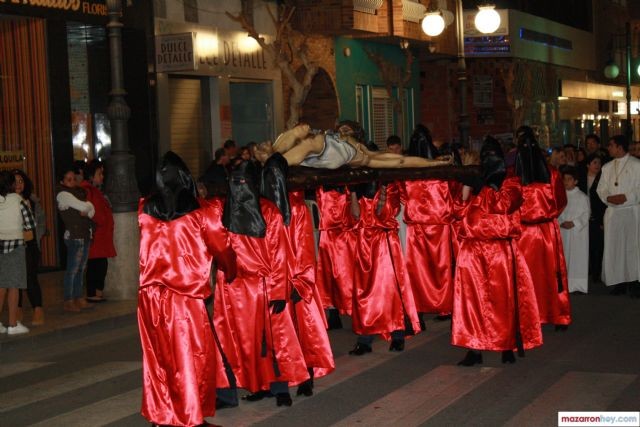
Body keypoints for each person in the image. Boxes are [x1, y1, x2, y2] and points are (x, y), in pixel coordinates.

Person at [137, 151, 237, 426]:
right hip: (184, 297)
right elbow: (222, 248)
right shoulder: (203, 212)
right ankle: (191, 418)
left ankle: (161, 416)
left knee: (157, 357)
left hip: (149, 296)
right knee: (191, 357)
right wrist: (231, 270)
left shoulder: (145, 208)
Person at [213, 160, 309, 408]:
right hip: (235, 288)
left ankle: (280, 387)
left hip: (263, 286)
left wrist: (279, 292)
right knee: (244, 342)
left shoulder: (269, 212)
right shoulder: (225, 211)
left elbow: (279, 254)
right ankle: (258, 384)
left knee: (274, 339)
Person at [453, 137, 542, 366]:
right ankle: (474, 347)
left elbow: (504, 205)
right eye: (485, 156)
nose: (488, 160)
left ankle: (506, 344)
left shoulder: (511, 183)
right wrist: (467, 186)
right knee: (471, 301)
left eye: (492, 155)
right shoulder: (474, 182)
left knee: (503, 300)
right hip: (472, 250)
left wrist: (485, 188)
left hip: (500, 249)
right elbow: (457, 211)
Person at [259, 153, 335, 397]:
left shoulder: (296, 207)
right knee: (279, 335)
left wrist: (300, 282)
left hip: (294, 279)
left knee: (302, 332)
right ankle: (281, 381)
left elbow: (303, 247)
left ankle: (305, 378)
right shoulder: (265, 207)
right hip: (274, 280)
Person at [348, 181, 420, 355]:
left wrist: (381, 191)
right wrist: (353, 192)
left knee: (391, 291)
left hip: (384, 241)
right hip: (365, 243)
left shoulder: (391, 185)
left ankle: (398, 334)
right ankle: (365, 338)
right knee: (363, 292)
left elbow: (385, 213)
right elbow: (355, 216)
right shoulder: (356, 185)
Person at [514, 127, 571, 330]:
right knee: (550, 273)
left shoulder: (514, 176)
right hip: (545, 231)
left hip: (525, 233)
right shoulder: (551, 174)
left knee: (528, 275)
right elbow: (561, 202)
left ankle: (531, 315)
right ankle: (556, 315)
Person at [401, 125, 456, 327]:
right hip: (425, 226)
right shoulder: (437, 169)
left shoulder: (411, 170)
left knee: (428, 269)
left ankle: (438, 306)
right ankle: (426, 307)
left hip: (430, 226)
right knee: (423, 270)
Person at [252, 121, 451, 169]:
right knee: (303, 132)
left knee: (308, 139)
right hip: (321, 154)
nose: (344, 130)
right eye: (342, 128)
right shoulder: (340, 138)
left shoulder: (366, 153)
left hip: (332, 152)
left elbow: (402, 161)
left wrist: (433, 163)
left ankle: (273, 158)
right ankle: (274, 154)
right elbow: (401, 160)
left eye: (347, 129)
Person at [596, 135, 640, 297]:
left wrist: (625, 197)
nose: (609, 148)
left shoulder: (637, 165)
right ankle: (618, 282)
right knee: (615, 248)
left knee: (632, 248)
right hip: (613, 213)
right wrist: (608, 197)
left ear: (620, 147)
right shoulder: (607, 167)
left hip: (632, 212)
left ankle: (635, 282)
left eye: (611, 145)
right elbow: (601, 188)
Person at [0, 171, 35, 335]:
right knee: (14, 285)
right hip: (15, 246)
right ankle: (13, 324)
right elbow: (30, 223)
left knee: (1, 286)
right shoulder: (18, 200)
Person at [57, 167, 95, 313]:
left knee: (81, 268)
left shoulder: (79, 193)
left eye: (74, 179)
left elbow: (92, 211)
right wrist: (88, 207)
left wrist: (89, 208)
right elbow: (86, 207)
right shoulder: (62, 194)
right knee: (72, 269)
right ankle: (69, 299)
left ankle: (78, 297)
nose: (72, 182)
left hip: (84, 234)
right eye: (69, 179)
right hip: (74, 236)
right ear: (62, 181)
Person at [14, 169, 46, 326]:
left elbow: (40, 222)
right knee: (15, 279)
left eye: (21, 181)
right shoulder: (5, 201)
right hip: (13, 245)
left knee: (30, 277)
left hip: (30, 245)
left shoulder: (32, 201)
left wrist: (37, 236)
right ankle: (17, 309)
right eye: (15, 181)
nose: (18, 184)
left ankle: (38, 309)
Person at [81, 161, 116, 303]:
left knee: (99, 264)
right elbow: (87, 212)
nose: (102, 176)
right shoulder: (88, 190)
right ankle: (93, 293)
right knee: (97, 265)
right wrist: (100, 219)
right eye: (99, 173)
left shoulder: (93, 190)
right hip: (96, 235)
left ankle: (96, 293)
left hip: (100, 235)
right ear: (91, 175)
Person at [558, 167, 590, 294]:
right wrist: (561, 222)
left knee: (577, 258)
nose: (566, 182)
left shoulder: (582, 197)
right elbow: (557, 212)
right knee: (564, 257)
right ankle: (564, 284)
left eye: (569, 179)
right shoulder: (561, 196)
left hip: (578, 233)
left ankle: (577, 285)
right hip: (564, 231)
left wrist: (574, 223)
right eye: (564, 179)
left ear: (576, 181)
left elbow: (586, 214)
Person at [578, 153, 607, 282]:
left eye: (599, 163)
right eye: (594, 163)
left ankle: (597, 272)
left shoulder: (603, 179)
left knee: (598, 245)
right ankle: (588, 270)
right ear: (588, 165)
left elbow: (603, 203)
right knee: (587, 245)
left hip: (597, 217)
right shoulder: (581, 179)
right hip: (584, 217)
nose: (597, 165)